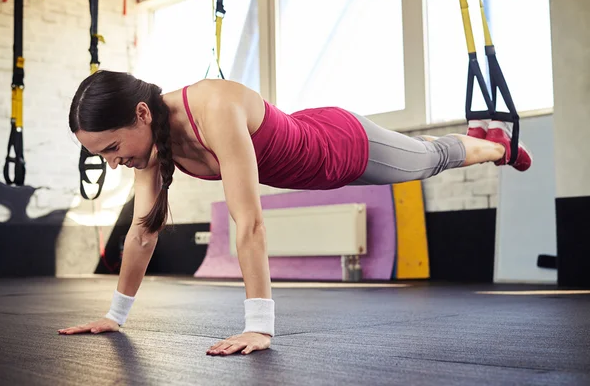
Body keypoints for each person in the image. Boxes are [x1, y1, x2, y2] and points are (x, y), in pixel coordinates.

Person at [57, 70, 532, 355]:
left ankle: (496, 147)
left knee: (428, 161)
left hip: (340, 148)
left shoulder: (214, 105)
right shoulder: (152, 147)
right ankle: (462, 144)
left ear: (141, 113)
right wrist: (115, 316)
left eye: (113, 148)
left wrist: (258, 325)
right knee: (419, 154)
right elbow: (143, 232)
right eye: (103, 156)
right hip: (308, 145)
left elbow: (250, 223)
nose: (114, 162)